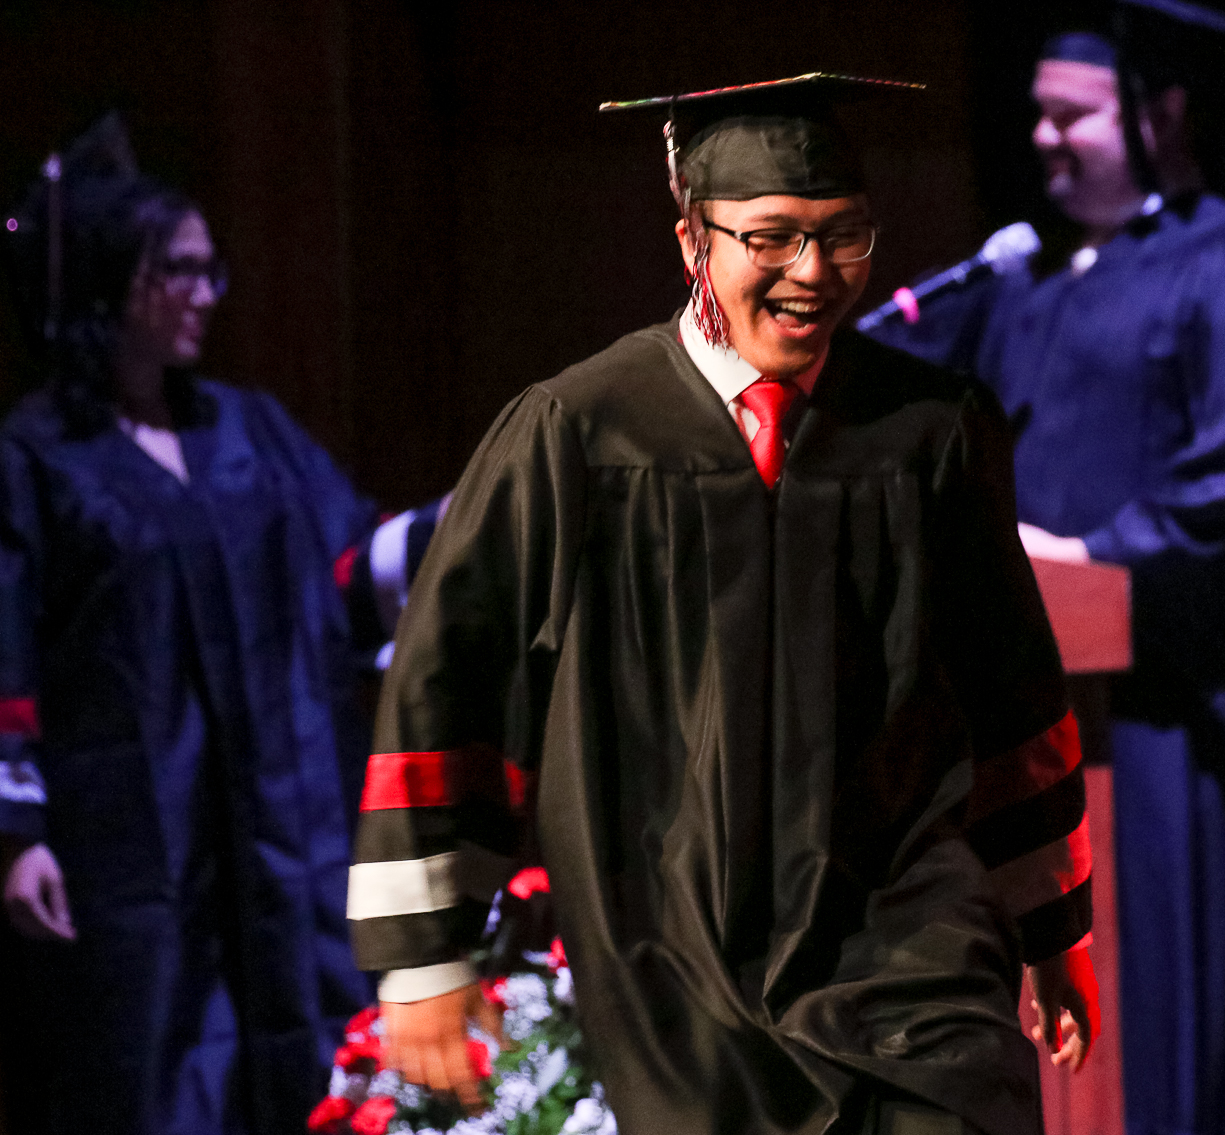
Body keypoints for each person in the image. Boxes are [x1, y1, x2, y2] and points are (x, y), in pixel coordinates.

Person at [346, 75, 1100, 1135]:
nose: (813, 272)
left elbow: (1010, 687)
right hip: (674, 947)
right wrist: (424, 958)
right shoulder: (579, 433)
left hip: (908, 935)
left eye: (843, 236)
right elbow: (452, 679)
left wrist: (1053, 927)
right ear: (693, 242)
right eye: (772, 237)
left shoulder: (930, 431)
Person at [863, 5, 1225, 1133]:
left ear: (1160, 113)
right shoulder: (1024, 278)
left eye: (1069, 115)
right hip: (1034, 719)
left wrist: (1091, 556)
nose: (1042, 136)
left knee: (1155, 1014)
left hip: (1169, 728)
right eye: (1035, 113)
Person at [0, 114, 412, 1134]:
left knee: (310, 1052)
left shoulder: (249, 429)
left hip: (281, 827)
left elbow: (345, 574)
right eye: (176, 271)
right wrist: (14, 836)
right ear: (110, 282)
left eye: (208, 269)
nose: (204, 293)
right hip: (134, 839)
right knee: (161, 1068)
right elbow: (6, 645)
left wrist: (464, 533)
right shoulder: (38, 454)